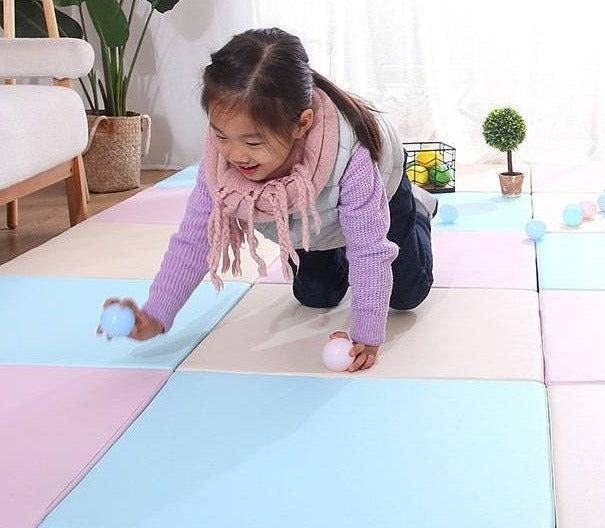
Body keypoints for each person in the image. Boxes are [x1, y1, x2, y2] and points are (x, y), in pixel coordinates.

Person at [100, 27, 434, 371]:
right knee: (314, 296)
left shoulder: (352, 157)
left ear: (301, 125)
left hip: (383, 195)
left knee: (407, 295)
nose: (235, 155)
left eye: (253, 142)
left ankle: (420, 210)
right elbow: (195, 239)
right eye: (221, 136)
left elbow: (368, 251)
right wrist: (156, 315)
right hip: (312, 216)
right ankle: (339, 240)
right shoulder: (221, 163)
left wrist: (366, 336)